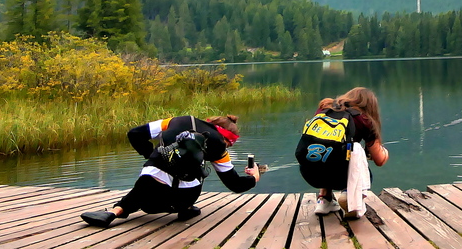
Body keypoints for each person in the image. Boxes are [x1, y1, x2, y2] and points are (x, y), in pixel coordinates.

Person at [81, 114, 260, 227]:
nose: (228, 146)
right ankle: (186, 208)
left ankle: (115, 212)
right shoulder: (219, 148)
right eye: (230, 143)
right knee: (199, 172)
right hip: (181, 197)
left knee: (149, 178)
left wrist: (153, 155)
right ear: (226, 138)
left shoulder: (178, 121)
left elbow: (134, 134)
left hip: (148, 193)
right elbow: (235, 185)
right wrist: (254, 177)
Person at [296, 87, 389, 218]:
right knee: (354, 150)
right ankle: (349, 196)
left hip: (309, 173)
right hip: (340, 177)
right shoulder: (363, 119)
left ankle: (324, 200)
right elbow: (379, 159)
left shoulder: (325, 109)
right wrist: (384, 151)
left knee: (330, 149)